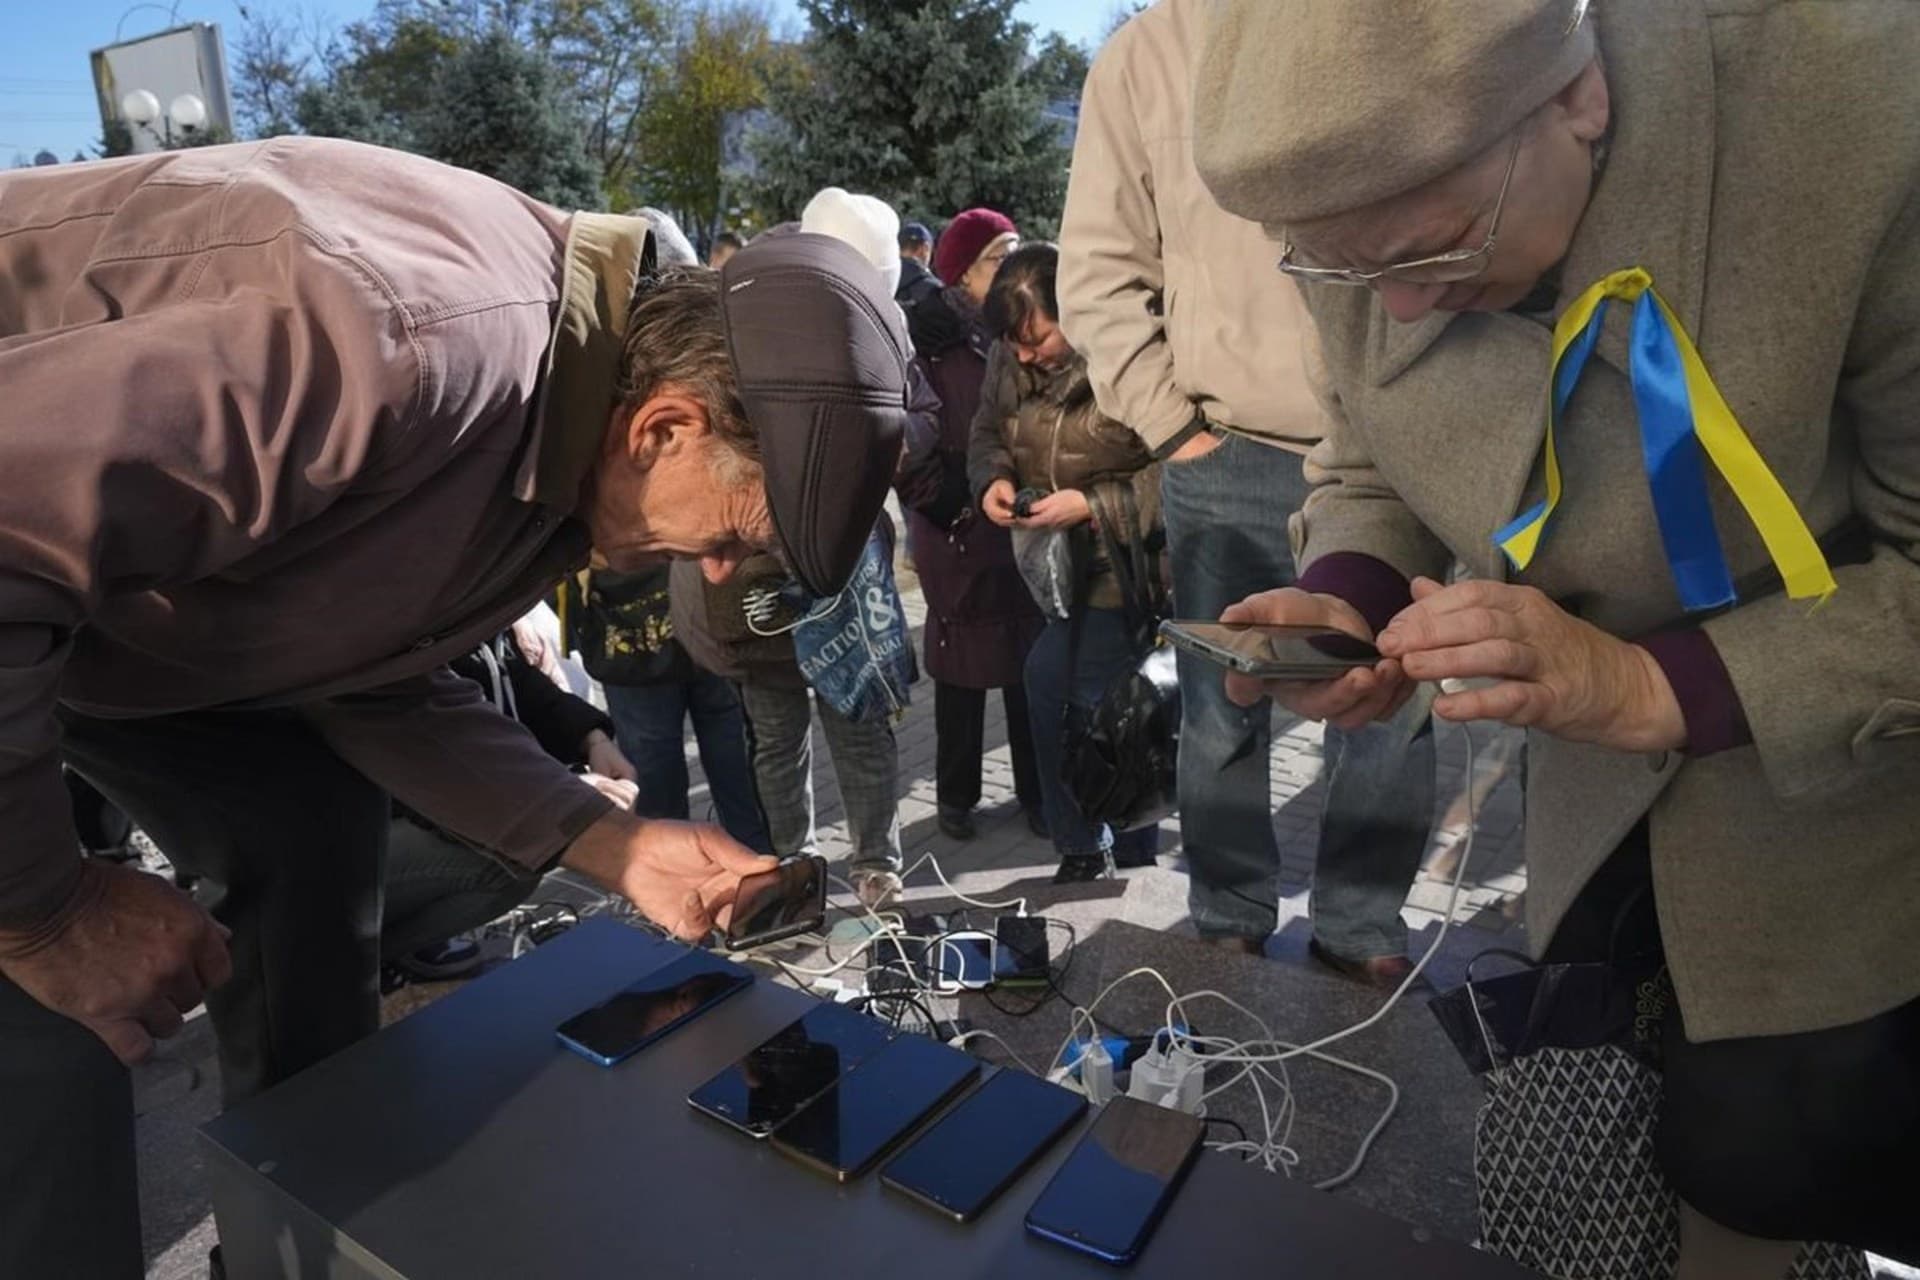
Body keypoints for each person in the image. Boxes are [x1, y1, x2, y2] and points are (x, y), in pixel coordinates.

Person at [0, 136, 911, 1276]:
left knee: (312, 832)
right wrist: (47, 910)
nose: (718, 575)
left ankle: (294, 1235)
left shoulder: (562, 450)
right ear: (666, 426)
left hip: (103, 619)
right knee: (47, 1049)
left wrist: (617, 842)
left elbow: (359, 663)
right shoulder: (385, 342)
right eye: (731, 537)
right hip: (32, 586)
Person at [1193, 0, 1920, 1272]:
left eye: (1433, 247)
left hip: (1851, 805)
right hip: (1597, 812)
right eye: (1346, 271)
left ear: (1577, 97)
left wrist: (1651, 682)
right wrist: (1349, 593)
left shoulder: (1860, 113)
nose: (1404, 308)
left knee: (1786, 1163)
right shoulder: (1372, 211)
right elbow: (1369, 442)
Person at [1057, 0, 1435, 979]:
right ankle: (1226, 916)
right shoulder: (1146, 55)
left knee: (1394, 706)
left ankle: (1361, 927)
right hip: (1224, 451)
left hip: (1391, 442)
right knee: (1223, 707)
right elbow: (1097, 270)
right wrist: (1178, 431)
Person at [968, 244, 1165, 882]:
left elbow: (1183, 468)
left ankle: (1091, 846)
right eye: (1014, 344)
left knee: (1071, 690)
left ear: (1075, 311)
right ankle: (1121, 845)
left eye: (1038, 338)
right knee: (1112, 706)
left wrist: (1093, 505)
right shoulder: (1008, 355)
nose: (1025, 356)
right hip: (1051, 569)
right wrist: (992, 480)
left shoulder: (1133, 352)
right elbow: (987, 432)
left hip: (1130, 568)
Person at [383, 626, 642, 981]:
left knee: (522, 846)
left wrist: (592, 738)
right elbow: (413, 758)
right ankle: (363, 958)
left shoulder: (466, 609)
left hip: (414, 816)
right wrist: (543, 796)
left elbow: (515, 677)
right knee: (509, 857)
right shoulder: (384, 624)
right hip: (339, 845)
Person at [904, 207, 1045, 842]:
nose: (1011, 265)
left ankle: (1039, 793)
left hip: (1024, 521)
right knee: (961, 668)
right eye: (997, 256)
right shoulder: (930, 339)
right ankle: (956, 798)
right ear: (961, 274)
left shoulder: (1019, 330)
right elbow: (907, 439)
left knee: (1030, 664)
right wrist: (950, 503)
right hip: (961, 526)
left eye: (1016, 251)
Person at [670, 553, 905, 905]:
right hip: (756, 615)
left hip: (841, 603)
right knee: (779, 748)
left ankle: (876, 867)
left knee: (861, 739)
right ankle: (796, 868)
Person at [569, 564, 769, 851]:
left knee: (731, 750)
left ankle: (753, 865)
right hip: (629, 617)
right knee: (656, 764)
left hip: (703, 606)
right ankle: (677, 866)